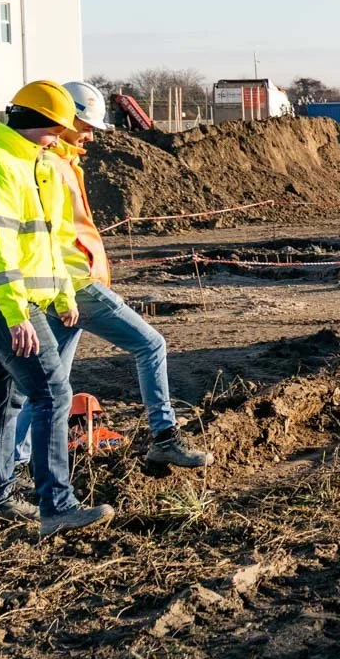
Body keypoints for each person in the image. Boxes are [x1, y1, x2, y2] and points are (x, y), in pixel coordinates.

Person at [13, 80, 214, 469]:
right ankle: (164, 436)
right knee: (150, 345)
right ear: (63, 120)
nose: (90, 135)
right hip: (76, 285)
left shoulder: (64, 163)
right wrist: (70, 287)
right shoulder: (51, 166)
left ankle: (19, 464)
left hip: (66, 288)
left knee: (50, 387)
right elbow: (56, 237)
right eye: (85, 126)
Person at [0, 81, 114, 537]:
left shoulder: (32, 164)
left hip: (23, 301)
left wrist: (62, 295)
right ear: (36, 124)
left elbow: (48, 242)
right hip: (5, 304)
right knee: (53, 395)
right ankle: (57, 507)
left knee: (3, 400)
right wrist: (15, 314)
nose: (60, 140)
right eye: (55, 131)